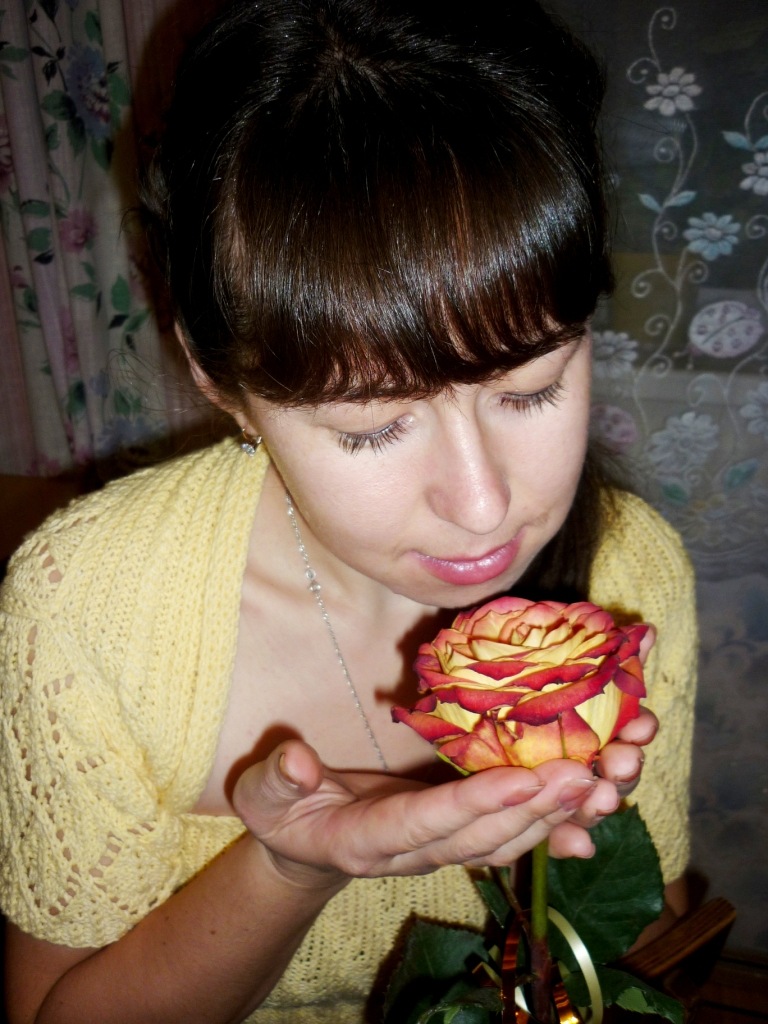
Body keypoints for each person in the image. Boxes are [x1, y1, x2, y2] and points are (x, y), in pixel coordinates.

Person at [0, 1, 697, 1022]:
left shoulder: (628, 573)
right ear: (222, 383)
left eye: (532, 387)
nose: (483, 506)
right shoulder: (88, 610)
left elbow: (643, 949)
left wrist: (575, 856)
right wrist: (291, 867)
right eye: (371, 429)